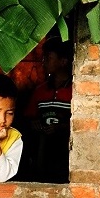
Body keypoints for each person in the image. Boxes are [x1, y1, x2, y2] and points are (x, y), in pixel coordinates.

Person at [23, 36, 73, 183]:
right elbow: (29, 118)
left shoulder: (76, 91)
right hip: (42, 152)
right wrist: (35, 124)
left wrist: (61, 128)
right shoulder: (40, 90)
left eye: (49, 57)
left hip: (66, 155)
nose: (43, 61)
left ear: (63, 61)